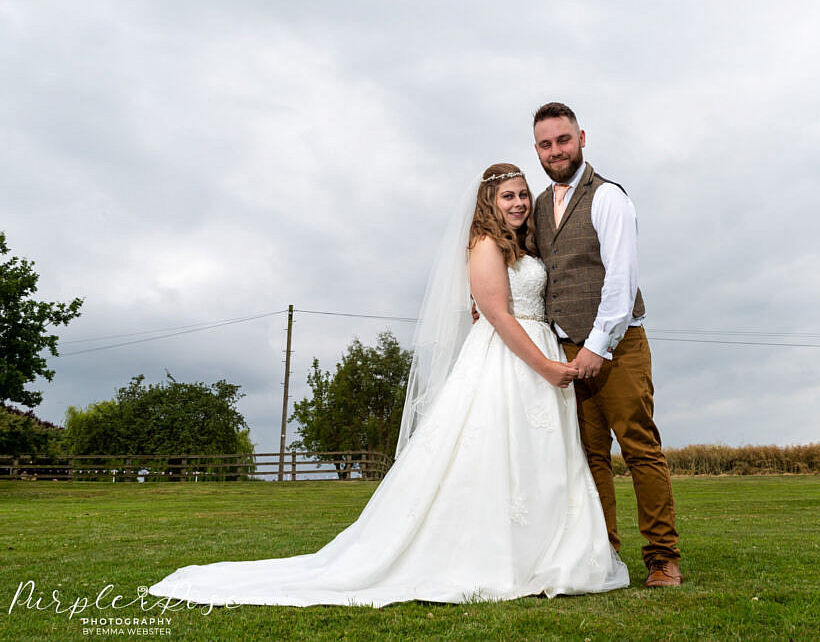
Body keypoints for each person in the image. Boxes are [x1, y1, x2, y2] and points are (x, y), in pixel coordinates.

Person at [147, 163, 629, 607]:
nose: (520, 202)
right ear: (489, 201)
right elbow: (499, 315)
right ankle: (495, 556)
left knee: (538, 459)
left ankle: (544, 552)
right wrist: (545, 365)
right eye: (508, 196)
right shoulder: (485, 244)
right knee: (494, 455)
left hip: (537, 351)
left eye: (523, 194)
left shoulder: (525, 247)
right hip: (508, 359)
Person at [531, 102, 682, 587]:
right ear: (537, 149)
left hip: (618, 345)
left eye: (563, 140)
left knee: (639, 447)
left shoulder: (607, 197)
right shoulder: (536, 206)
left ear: (581, 138)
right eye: (545, 144)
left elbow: (621, 277)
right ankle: (604, 552)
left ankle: (662, 556)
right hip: (565, 350)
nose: (555, 150)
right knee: (589, 456)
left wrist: (598, 345)